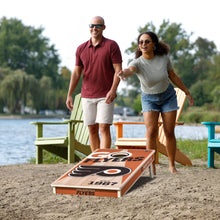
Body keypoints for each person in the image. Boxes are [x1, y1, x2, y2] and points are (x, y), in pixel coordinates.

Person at [117, 31, 194, 174]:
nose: (143, 44)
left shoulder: (164, 58)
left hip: (168, 97)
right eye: (141, 42)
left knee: (169, 131)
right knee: (151, 131)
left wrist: (186, 92)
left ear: (154, 44)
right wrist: (123, 73)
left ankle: (172, 166)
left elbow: (173, 76)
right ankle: (151, 166)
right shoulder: (137, 63)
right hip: (149, 99)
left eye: (147, 41)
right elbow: (130, 70)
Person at [66, 16, 122, 152]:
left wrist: (113, 90)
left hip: (105, 95)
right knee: (92, 128)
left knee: (104, 126)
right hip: (87, 95)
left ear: (104, 27)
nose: (94, 28)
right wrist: (69, 95)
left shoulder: (111, 45)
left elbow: (118, 70)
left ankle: (104, 159)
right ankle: (96, 159)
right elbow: (76, 73)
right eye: (92, 25)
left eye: (97, 25)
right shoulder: (81, 48)